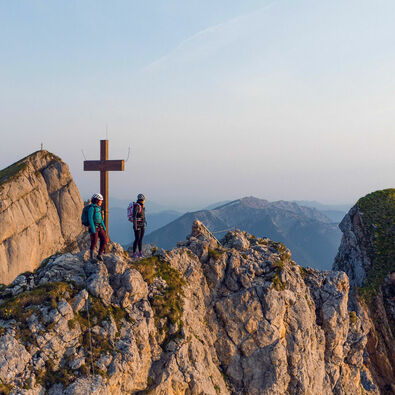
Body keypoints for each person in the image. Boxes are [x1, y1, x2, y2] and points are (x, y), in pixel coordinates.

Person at [88, 193, 107, 261]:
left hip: (99, 227)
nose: (101, 202)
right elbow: (90, 219)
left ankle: (99, 254)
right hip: (94, 227)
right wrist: (93, 229)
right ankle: (91, 257)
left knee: (104, 240)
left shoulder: (98, 209)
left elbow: (101, 219)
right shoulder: (92, 208)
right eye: (100, 200)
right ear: (97, 200)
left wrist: (104, 228)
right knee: (94, 242)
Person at [132, 193, 146, 258]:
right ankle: (134, 253)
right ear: (143, 199)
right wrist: (135, 226)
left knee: (140, 239)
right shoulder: (137, 206)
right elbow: (134, 216)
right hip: (138, 225)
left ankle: (140, 252)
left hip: (142, 225)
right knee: (137, 239)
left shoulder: (141, 206)